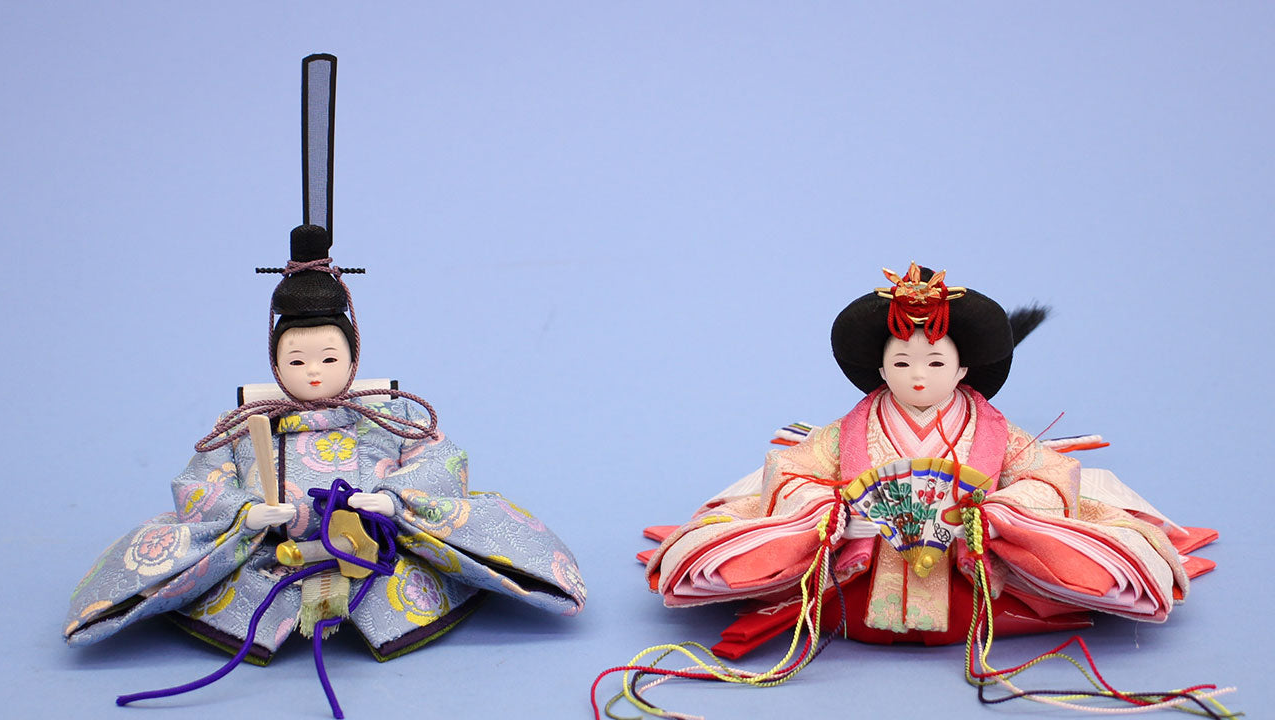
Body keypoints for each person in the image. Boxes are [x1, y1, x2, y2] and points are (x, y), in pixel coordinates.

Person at [64, 225, 586, 664]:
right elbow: (200, 479)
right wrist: (246, 513)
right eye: (296, 361)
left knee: (446, 550)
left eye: (329, 359)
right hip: (269, 553)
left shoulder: (392, 412)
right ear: (275, 363)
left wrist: (393, 501)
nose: (313, 372)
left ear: (353, 357)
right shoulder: (243, 423)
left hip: (381, 550)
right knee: (206, 573)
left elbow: (440, 458)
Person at [643, 263, 1212, 657]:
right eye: (902, 363)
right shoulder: (850, 430)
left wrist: (1001, 514)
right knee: (756, 559)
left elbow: (1050, 471)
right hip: (863, 571)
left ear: (962, 370)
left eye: (936, 364)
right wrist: (825, 507)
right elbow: (792, 467)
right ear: (881, 368)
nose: (918, 376)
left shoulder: (993, 430)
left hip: (967, 572)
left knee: (1083, 564)